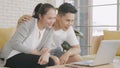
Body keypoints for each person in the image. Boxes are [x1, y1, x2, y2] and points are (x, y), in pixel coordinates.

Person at [0, 3, 56, 68]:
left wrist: (46, 54)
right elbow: (15, 43)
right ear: (40, 16)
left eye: (54, 18)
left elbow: (47, 46)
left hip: (28, 55)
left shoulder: (50, 29)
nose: (52, 21)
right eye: (49, 18)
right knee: (40, 62)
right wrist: (37, 53)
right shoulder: (27, 23)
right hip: (13, 54)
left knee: (51, 61)